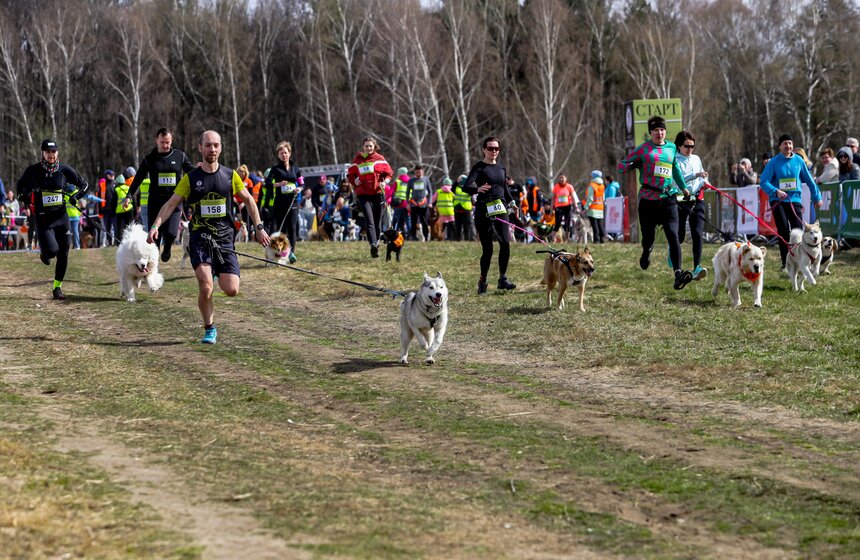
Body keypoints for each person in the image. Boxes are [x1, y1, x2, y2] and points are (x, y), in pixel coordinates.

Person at [147, 130, 269, 344]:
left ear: (220, 148)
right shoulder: (191, 178)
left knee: (231, 289)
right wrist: (156, 226)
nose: (212, 149)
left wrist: (259, 227)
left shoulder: (230, 176)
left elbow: (249, 201)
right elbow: (171, 204)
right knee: (206, 287)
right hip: (200, 237)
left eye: (216, 145)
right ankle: (209, 328)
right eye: (208, 145)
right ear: (200, 148)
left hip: (224, 238)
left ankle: (213, 273)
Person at [617, 115, 693, 290]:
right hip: (648, 201)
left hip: (668, 198)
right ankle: (646, 251)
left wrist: (683, 188)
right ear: (650, 132)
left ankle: (678, 274)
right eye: (656, 130)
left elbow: (674, 169)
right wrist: (632, 165)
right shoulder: (643, 149)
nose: (660, 133)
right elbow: (621, 166)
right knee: (648, 237)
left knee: (673, 235)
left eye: (662, 129)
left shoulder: (672, 148)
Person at [16, 139, 89, 300]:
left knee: (64, 252)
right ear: (42, 153)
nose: (51, 155)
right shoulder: (33, 171)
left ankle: (57, 288)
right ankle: (45, 254)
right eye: (48, 152)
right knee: (51, 251)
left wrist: (75, 197)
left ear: (57, 153)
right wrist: (25, 200)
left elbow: (84, 185)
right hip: (43, 219)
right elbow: (20, 186)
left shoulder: (64, 170)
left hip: (62, 218)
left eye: (54, 152)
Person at [126, 128, 195, 261]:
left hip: (174, 202)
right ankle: (153, 264)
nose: (165, 145)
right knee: (154, 237)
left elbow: (191, 171)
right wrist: (129, 196)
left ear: (171, 141)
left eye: (168, 142)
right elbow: (138, 178)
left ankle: (168, 247)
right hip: (155, 203)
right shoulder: (149, 159)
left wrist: (201, 170)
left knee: (171, 232)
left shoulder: (179, 156)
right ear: (156, 141)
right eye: (162, 142)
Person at [759, 134, 823, 269]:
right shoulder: (774, 162)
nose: (788, 146)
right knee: (783, 231)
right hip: (778, 200)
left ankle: (802, 261)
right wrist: (775, 191)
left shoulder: (799, 161)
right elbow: (764, 181)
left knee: (799, 231)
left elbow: (810, 180)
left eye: (790, 143)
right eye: (785, 144)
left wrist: (817, 197)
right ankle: (785, 263)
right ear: (779, 146)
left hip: (794, 200)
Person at [463, 136, 517, 294]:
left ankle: (502, 279)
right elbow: (466, 186)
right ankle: (483, 280)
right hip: (483, 208)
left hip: (500, 207)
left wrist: (512, 202)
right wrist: (477, 189)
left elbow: (504, 188)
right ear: (484, 150)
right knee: (488, 249)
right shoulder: (479, 167)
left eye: (496, 149)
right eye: (490, 148)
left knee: (505, 243)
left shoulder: (501, 168)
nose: (493, 151)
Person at [346, 136, 392, 257]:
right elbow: (350, 175)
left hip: (378, 193)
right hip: (363, 195)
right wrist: (354, 180)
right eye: (366, 146)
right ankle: (372, 244)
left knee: (377, 222)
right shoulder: (358, 160)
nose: (368, 148)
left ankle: (376, 242)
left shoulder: (379, 159)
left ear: (374, 146)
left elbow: (389, 173)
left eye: (370, 146)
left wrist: (384, 182)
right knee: (369, 220)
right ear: (363, 147)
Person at [674, 131, 708, 280]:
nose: (690, 149)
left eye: (692, 146)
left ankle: (697, 268)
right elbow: (677, 181)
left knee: (697, 233)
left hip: (697, 199)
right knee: (679, 235)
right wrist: (695, 176)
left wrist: (706, 183)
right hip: (680, 201)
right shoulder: (674, 160)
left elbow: (702, 177)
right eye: (687, 146)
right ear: (679, 146)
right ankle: (673, 250)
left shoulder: (696, 158)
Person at [262, 141, 303, 263]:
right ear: (278, 155)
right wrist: (279, 184)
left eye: (285, 152)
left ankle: (292, 254)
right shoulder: (275, 169)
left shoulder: (295, 168)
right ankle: (281, 252)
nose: (283, 155)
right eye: (281, 153)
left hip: (293, 202)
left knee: (292, 228)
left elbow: (302, 183)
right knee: (282, 230)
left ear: (289, 153)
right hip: (280, 203)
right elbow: (267, 184)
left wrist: (299, 189)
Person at [406, 165, 433, 241]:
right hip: (414, 204)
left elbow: (430, 191)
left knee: (424, 221)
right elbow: (407, 192)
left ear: (422, 172)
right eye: (417, 172)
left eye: (420, 172)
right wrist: (407, 203)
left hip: (423, 204)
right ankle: (413, 237)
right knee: (413, 221)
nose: (419, 173)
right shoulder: (411, 180)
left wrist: (430, 202)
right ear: (415, 172)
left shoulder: (426, 179)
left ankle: (426, 236)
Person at [550, 174, 577, 241]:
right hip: (558, 207)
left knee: (567, 223)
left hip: (567, 206)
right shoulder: (556, 187)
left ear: (566, 178)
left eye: (562, 178)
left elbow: (573, 197)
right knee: (557, 223)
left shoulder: (569, 186)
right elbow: (553, 198)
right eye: (560, 178)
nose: (561, 179)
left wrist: (576, 206)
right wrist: (551, 208)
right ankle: (553, 238)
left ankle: (566, 239)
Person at [585, 170, 606, 244]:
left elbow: (590, 198)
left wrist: (586, 207)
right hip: (600, 207)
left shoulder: (592, 186)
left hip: (593, 208)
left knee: (594, 225)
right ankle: (602, 238)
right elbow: (603, 198)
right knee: (600, 224)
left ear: (593, 176)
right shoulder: (602, 185)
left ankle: (596, 240)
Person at [452, 174, 474, 241]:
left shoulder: (468, 188)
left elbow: (473, 190)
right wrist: (456, 181)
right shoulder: (456, 187)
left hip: (466, 210)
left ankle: (467, 239)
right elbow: (452, 189)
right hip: (457, 210)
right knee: (458, 226)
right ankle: (458, 239)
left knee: (466, 226)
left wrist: (468, 182)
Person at [390, 166, 410, 233]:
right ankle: (411, 235)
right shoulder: (410, 181)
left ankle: (393, 234)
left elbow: (391, 191)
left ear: (400, 173)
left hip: (399, 204)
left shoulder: (397, 181)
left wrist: (387, 199)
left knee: (396, 220)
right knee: (407, 221)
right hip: (408, 204)